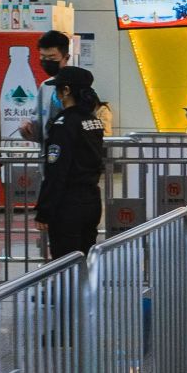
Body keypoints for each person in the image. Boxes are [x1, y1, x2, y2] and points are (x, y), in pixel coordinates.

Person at [34, 66, 107, 259]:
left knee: (65, 263)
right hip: (92, 200)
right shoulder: (93, 121)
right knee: (85, 260)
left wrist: (44, 210)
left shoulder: (64, 124)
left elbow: (57, 171)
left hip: (68, 205)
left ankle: (67, 291)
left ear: (66, 91)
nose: (56, 94)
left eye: (58, 89)